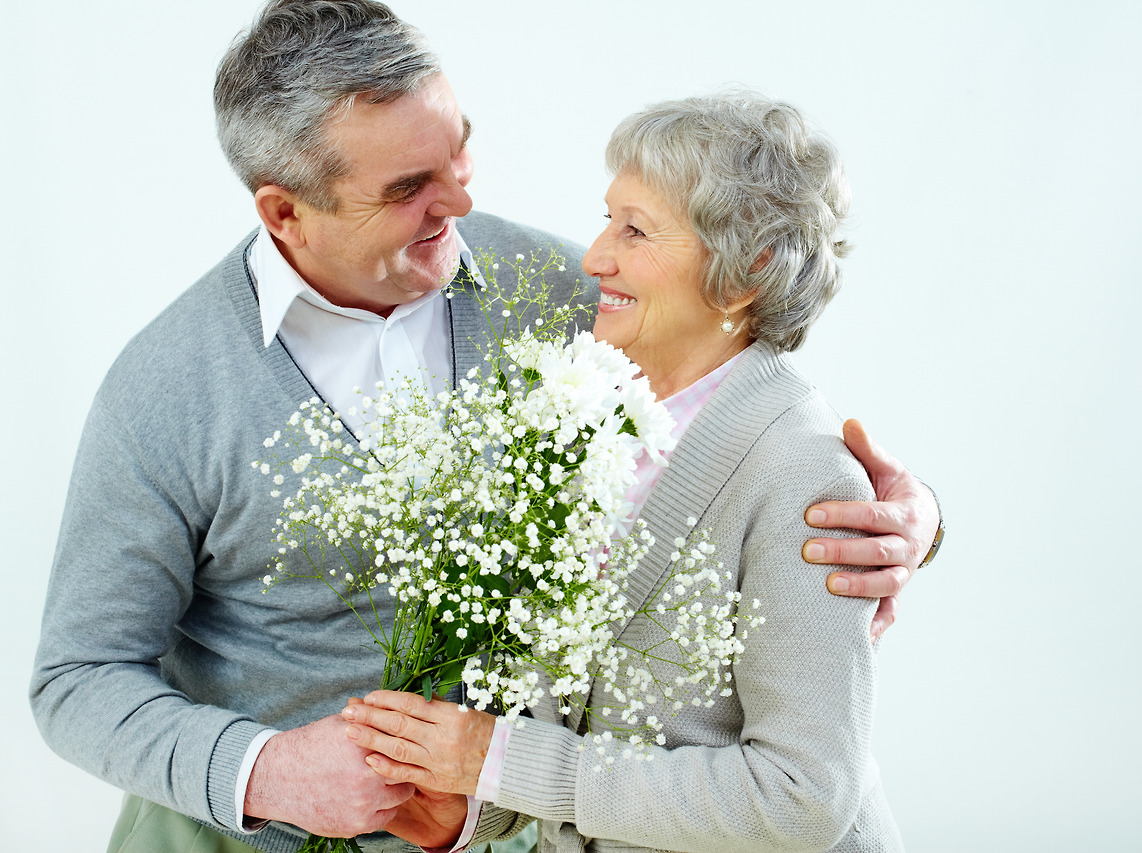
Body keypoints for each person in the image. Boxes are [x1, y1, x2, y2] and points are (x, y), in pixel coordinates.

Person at [29, 1, 939, 851]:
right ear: (284, 212)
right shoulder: (166, 388)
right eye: (408, 186)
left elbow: (743, 407)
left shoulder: (561, 292)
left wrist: (911, 519)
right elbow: (76, 677)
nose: (459, 202)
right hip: (242, 835)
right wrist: (262, 771)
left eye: (459, 152)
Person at [343, 93, 906, 852]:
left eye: (636, 229)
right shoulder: (589, 413)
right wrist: (472, 804)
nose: (595, 256)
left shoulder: (805, 475)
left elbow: (801, 798)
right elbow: (572, 724)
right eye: (608, 218)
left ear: (750, 272)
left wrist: (495, 757)